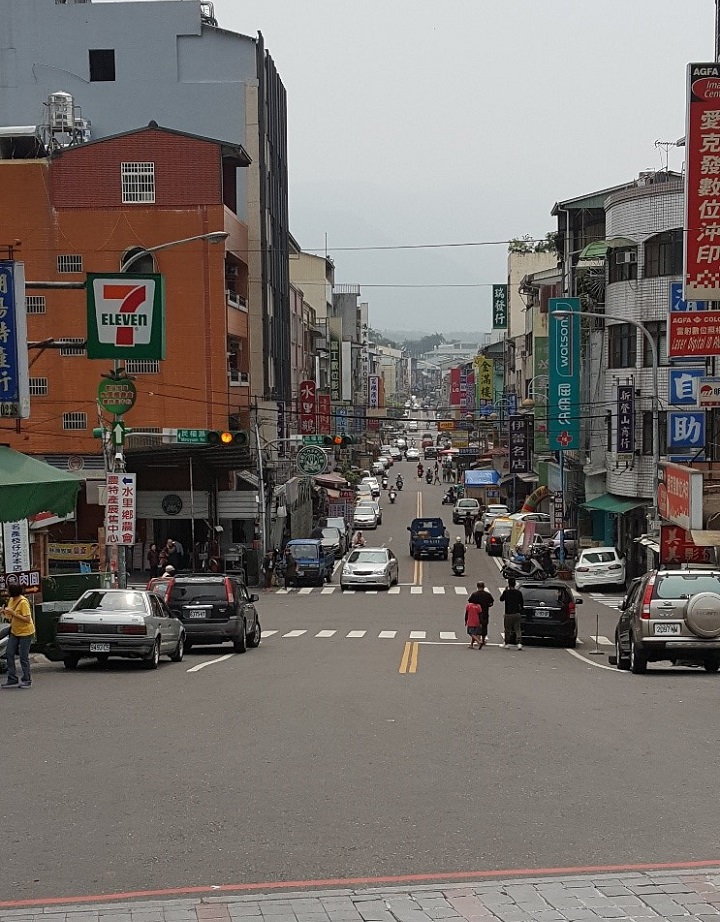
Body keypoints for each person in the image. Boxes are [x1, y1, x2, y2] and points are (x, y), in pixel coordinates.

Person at [1, 582, 35, 689]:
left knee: (23, 656)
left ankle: (27, 679)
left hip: (25, 632)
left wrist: (14, 613)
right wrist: (4, 612)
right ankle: (12, 678)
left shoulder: (23, 602)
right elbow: (10, 616)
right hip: (15, 631)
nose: (7, 591)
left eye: (8, 590)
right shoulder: (11, 600)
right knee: (9, 653)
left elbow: (27, 619)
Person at [500, 577, 524, 650]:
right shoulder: (518, 593)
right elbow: (521, 603)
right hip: (517, 613)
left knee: (507, 629)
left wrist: (505, 590)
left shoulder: (506, 592)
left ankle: (507, 643)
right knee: (517, 629)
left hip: (508, 613)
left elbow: (501, 599)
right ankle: (519, 643)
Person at [468, 581, 495, 648]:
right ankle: (483, 639)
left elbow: (470, 602)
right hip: (485, 612)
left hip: (476, 613)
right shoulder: (487, 595)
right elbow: (491, 603)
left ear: (477, 587)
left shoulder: (475, 594)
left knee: (476, 627)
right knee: (484, 626)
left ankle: (477, 640)